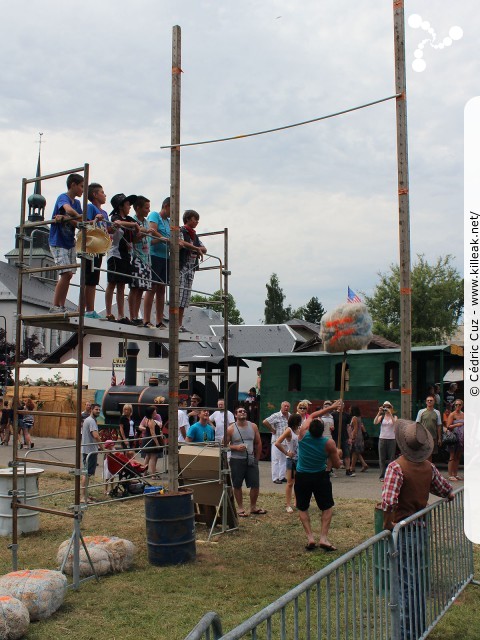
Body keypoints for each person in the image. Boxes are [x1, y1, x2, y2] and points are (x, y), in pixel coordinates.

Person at [382, 420, 454, 640]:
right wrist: (450, 495)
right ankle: (419, 629)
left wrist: (388, 524)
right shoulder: (428, 467)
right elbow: (445, 489)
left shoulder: (396, 467)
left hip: (403, 531)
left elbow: (389, 502)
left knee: (405, 586)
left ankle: (407, 634)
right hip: (420, 529)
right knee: (415, 584)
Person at [295, 401, 343, 551]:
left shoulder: (302, 434)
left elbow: (314, 414)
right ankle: (323, 538)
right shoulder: (328, 443)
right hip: (320, 476)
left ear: (309, 427)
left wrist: (332, 407)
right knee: (327, 507)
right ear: (324, 430)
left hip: (302, 475)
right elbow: (336, 465)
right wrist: (337, 455)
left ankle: (310, 538)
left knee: (302, 507)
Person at [48, 173, 83, 313]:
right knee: (65, 273)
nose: (82, 190)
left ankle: (61, 305)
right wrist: (75, 216)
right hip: (58, 240)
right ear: (73, 185)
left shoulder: (78, 203)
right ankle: (55, 305)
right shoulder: (63, 197)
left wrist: (67, 218)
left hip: (69, 242)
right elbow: (69, 210)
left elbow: (78, 222)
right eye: (81, 186)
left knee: (68, 275)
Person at [226, 406, 266, 517]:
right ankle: (240, 508)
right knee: (237, 484)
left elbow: (258, 443)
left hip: (251, 460)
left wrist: (257, 459)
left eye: (244, 411)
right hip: (236, 460)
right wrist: (236, 447)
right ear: (235, 415)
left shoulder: (253, 426)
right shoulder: (231, 429)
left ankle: (253, 507)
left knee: (255, 484)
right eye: (240, 411)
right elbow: (224, 445)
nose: (242, 412)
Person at [105, 194, 139, 323]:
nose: (129, 207)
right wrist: (133, 225)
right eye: (127, 204)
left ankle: (121, 314)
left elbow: (135, 226)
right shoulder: (115, 217)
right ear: (120, 206)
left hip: (126, 254)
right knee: (112, 283)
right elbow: (117, 223)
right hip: (115, 253)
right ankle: (108, 312)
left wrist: (137, 227)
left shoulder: (129, 219)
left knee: (121, 285)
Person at [84, 183, 111, 319]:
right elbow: (86, 224)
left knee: (94, 278)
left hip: (100, 248)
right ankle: (87, 309)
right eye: (102, 192)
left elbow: (109, 228)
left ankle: (90, 309)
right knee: (89, 278)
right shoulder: (90, 207)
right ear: (95, 195)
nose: (104, 195)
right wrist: (95, 219)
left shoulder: (105, 213)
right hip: (91, 247)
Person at [179, 210, 207, 329]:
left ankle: (180, 324)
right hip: (182, 267)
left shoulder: (194, 235)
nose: (197, 222)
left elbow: (204, 248)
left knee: (185, 299)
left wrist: (196, 248)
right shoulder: (181, 231)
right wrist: (197, 248)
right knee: (178, 297)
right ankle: (175, 324)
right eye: (195, 219)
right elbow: (181, 243)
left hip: (191, 269)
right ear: (188, 219)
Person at [145, 196, 170, 329]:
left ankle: (159, 320)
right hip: (154, 255)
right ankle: (146, 319)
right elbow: (152, 234)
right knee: (152, 287)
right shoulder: (155, 215)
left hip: (166, 257)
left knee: (161, 289)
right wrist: (164, 239)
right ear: (166, 206)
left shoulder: (169, 221)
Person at [129, 196, 154, 327]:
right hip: (136, 257)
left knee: (141, 289)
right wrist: (144, 233)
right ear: (138, 208)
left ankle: (137, 316)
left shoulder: (146, 222)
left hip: (146, 259)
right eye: (146, 208)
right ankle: (132, 315)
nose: (148, 210)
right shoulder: (132, 221)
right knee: (134, 287)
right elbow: (133, 239)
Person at [275, 413, 302, 513]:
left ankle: (297, 502)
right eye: (299, 420)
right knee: (290, 482)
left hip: (299, 459)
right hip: (291, 460)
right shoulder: (289, 430)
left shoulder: (299, 430)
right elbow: (277, 442)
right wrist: (286, 452)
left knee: (298, 482)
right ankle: (288, 504)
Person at [81, 403, 104, 503]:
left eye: (99, 410)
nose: (98, 411)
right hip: (89, 451)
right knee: (87, 474)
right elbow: (95, 435)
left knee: (87, 474)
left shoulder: (89, 420)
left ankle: (86, 495)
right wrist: (102, 447)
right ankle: (83, 497)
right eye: (96, 409)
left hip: (88, 450)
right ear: (91, 410)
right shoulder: (91, 421)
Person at [263, 401, 291, 484]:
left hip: (286, 441)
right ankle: (275, 478)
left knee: (284, 460)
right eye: (284, 406)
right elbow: (265, 421)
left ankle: (282, 477)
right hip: (277, 441)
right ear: (281, 407)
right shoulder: (277, 415)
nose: (286, 408)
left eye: (287, 406)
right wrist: (272, 430)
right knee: (275, 460)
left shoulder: (290, 416)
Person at [374, 400, 398, 481]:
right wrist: (379, 412)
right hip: (382, 439)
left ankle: (390, 475)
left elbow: (395, 423)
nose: (386, 408)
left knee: (391, 458)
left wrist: (390, 413)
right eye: (385, 407)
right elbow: (375, 422)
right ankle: (382, 476)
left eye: (388, 407)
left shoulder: (394, 417)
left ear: (391, 408)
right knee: (382, 458)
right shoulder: (381, 417)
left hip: (392, 439)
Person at [415, 395, 442, 460]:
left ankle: (429, 469)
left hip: (433, 436)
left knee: (430, 454)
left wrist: (439, 438)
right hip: (423, 436)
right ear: (426, 402)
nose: (429, 401)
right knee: (423, 453)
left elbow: (439, 425)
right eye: (428, 400)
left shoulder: (437, 412)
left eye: (431, 400)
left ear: (434, 402)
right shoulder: (421, 412)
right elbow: (417, 424)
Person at [143, 405, 165, 477]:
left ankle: (145, 473)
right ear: (151, 412)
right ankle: (153, 475)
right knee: (153, 457)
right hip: (151, 440)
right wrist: (157, 443)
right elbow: (153, 433)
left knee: (147, 456)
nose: (156, 412)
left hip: (147, 439)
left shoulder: (147, 420)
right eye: (154, 411)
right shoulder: (151, 421)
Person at [446, 399, 464, 481]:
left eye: (459, 405)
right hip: (454, 437)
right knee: (452, 456)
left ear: (462, 405)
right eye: (456, 405)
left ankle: (455, 474)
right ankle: (450, 475)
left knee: (458, 456)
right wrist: (457, 424)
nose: (457, 406)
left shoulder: (464, 414)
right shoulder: (452, 414)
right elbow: (448, 426)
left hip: (462, 437)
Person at [348, 406, 368, 473]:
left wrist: (353, 437)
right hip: (360, 435)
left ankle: (352, 467)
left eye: (350, 409)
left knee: (354, 451)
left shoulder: (354, 418)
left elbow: (355, 428)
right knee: (357, 451)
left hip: (356, 436)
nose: (349, 410)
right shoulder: (359, 417)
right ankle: (364, 464)